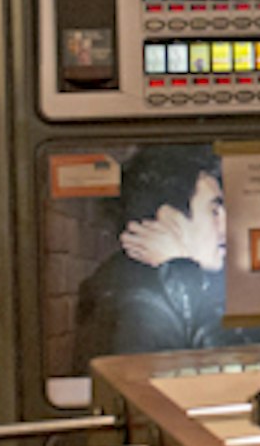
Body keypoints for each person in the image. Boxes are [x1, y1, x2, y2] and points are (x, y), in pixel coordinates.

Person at [73, 141, 226, 360]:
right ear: (169, 218)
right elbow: (220, 372)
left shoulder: (136, 280)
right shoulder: (142, 305)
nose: (225, 225)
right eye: (214, 211)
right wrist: (181, 270)